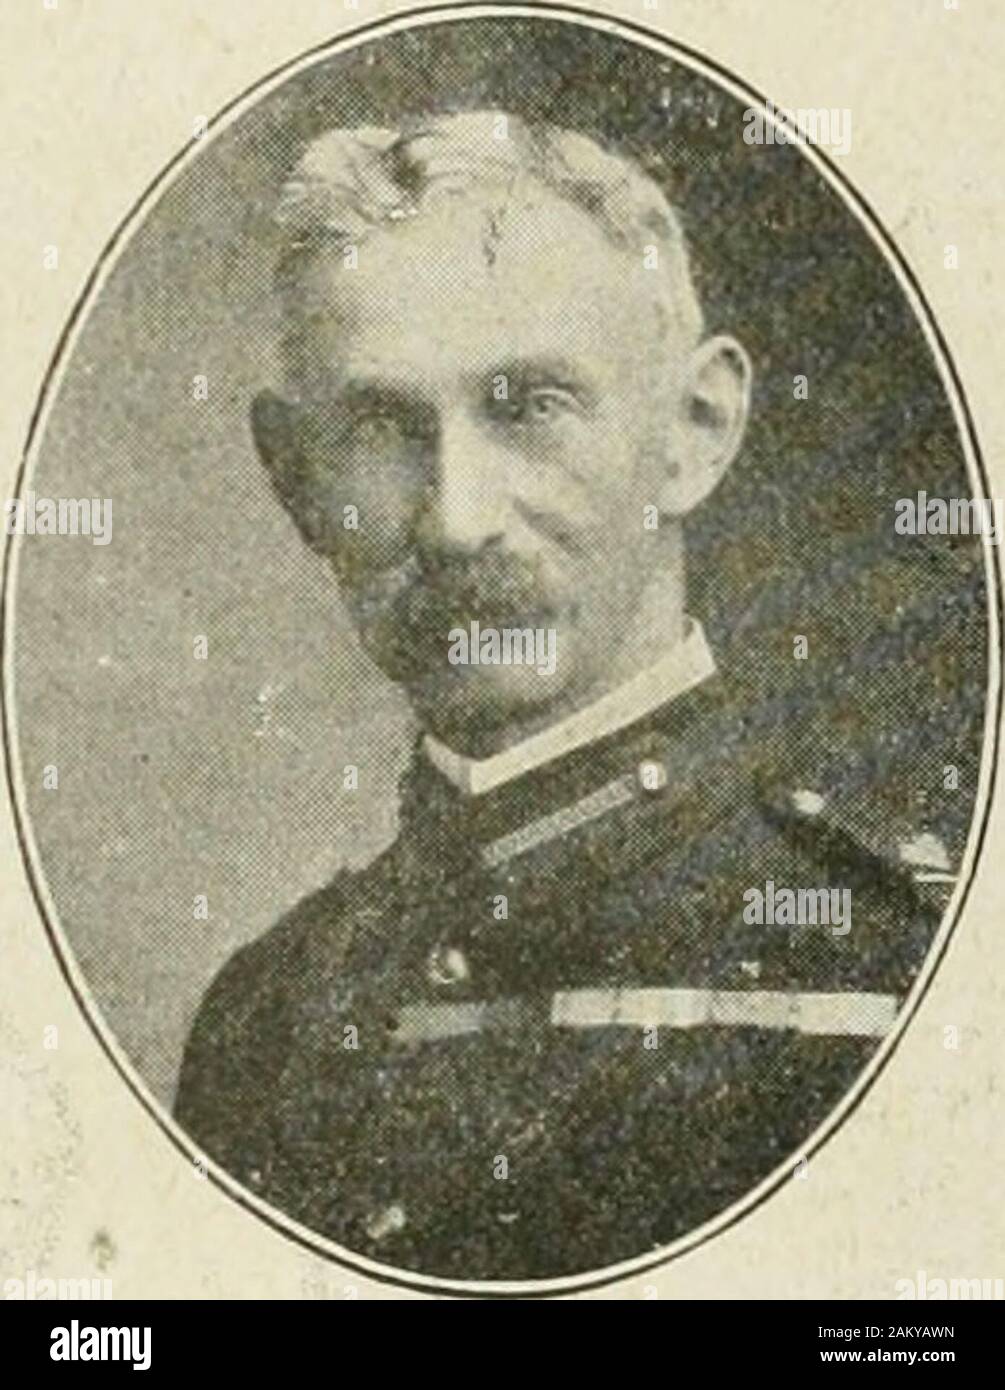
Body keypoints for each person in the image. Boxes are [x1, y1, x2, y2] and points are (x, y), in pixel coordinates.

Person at [175, 111, 952, 1281]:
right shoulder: (262, 1025)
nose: (456, 519)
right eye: (381, 428)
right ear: (293, 478)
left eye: (529, 406)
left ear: (693, 432)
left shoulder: (901, 974)